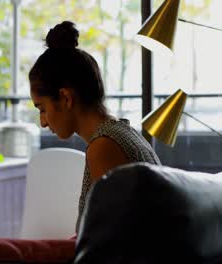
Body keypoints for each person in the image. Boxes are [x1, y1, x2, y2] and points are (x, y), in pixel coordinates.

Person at [28, 21, 162, 232]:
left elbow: (114, 244)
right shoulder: (124, 133)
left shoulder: (103, 147)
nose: (42, 122)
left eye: (42, 108)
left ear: (65, 98)